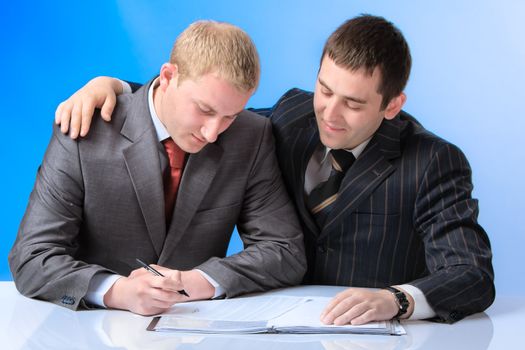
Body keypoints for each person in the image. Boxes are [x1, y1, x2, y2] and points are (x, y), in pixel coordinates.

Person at [53, 15, 495, 324]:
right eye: (325, 89)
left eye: (354, 103)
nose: (331, 114)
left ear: (394, 105)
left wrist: (398, 300)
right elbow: (206, 109)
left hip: (372, 337)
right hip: (268, 323)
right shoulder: (290, 115)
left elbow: (471, 274)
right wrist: (114, 86)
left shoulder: (434, 161)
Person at [8, 20, 306, 316]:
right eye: (204, 109)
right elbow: (32, 256)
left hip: (195, 331)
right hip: (91, 330)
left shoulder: (251, 136)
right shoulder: (86, 128)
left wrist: (196, 282)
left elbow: (284, 251)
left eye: (230, 116)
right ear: (167, 76)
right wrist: (115, 291)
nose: (213, 132)